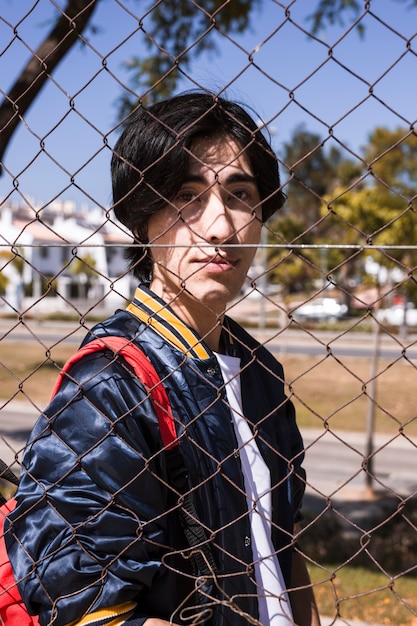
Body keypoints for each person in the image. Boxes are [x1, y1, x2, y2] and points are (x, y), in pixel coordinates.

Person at [5, 92, 320, 626]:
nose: (219, 226)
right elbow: (87, 605)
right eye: (187, 195)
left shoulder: (259, 370)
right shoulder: (110, 384)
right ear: (142, 215)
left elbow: (281, 549)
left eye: (240, 194)